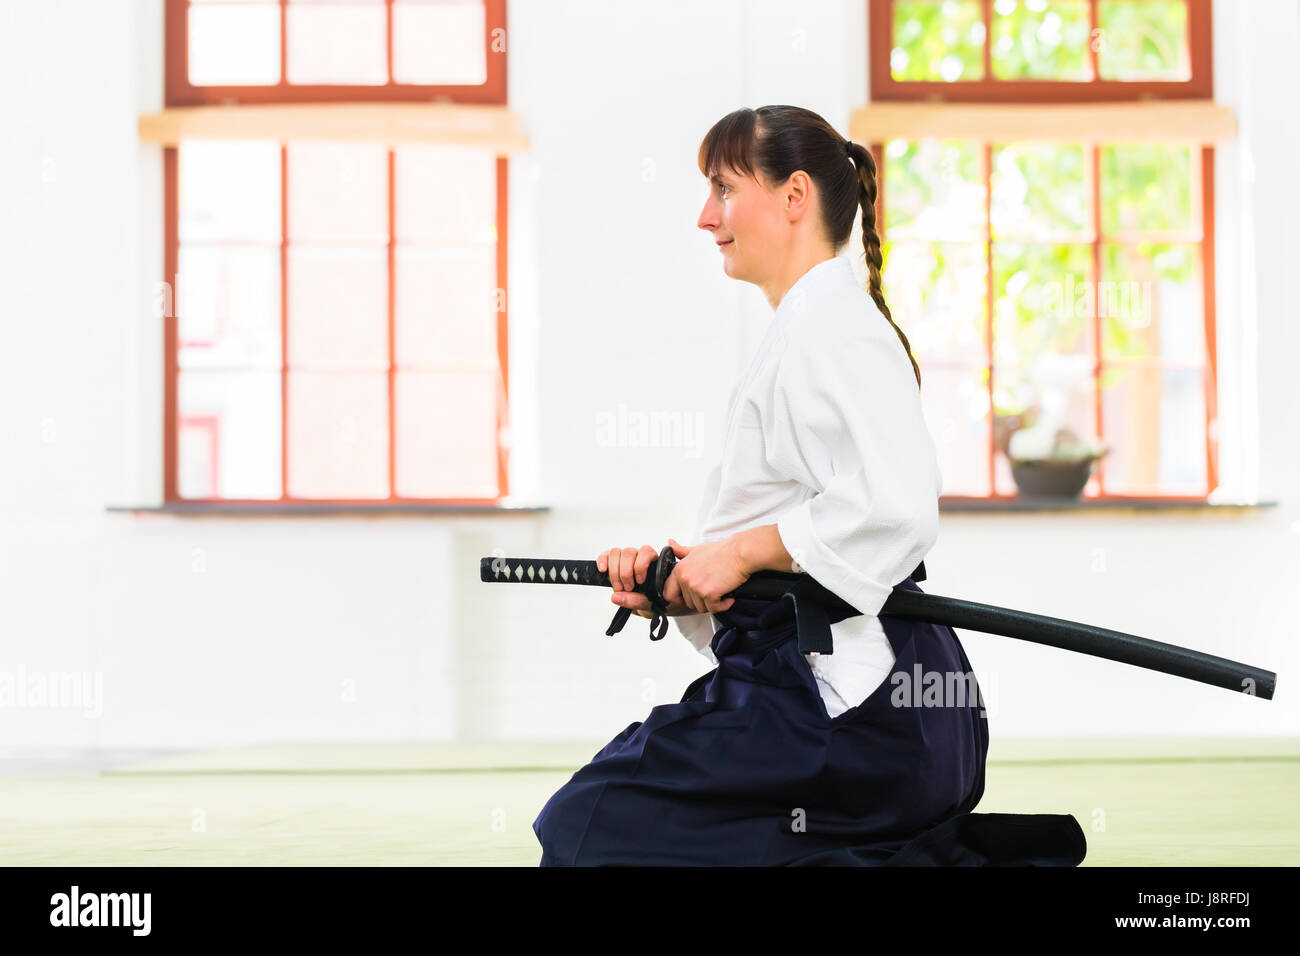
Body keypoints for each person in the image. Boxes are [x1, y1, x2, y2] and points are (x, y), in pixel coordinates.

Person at [532, 105, 1086, 866]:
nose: (705, 216)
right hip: (873, 710)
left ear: (795, 197)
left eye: (724, 189)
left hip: (855, 714)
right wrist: (682, 577)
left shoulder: (833, 327)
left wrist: (744, 552)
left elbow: (898, 506)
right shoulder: (809, 327)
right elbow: (791, 542)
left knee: (591, 823)